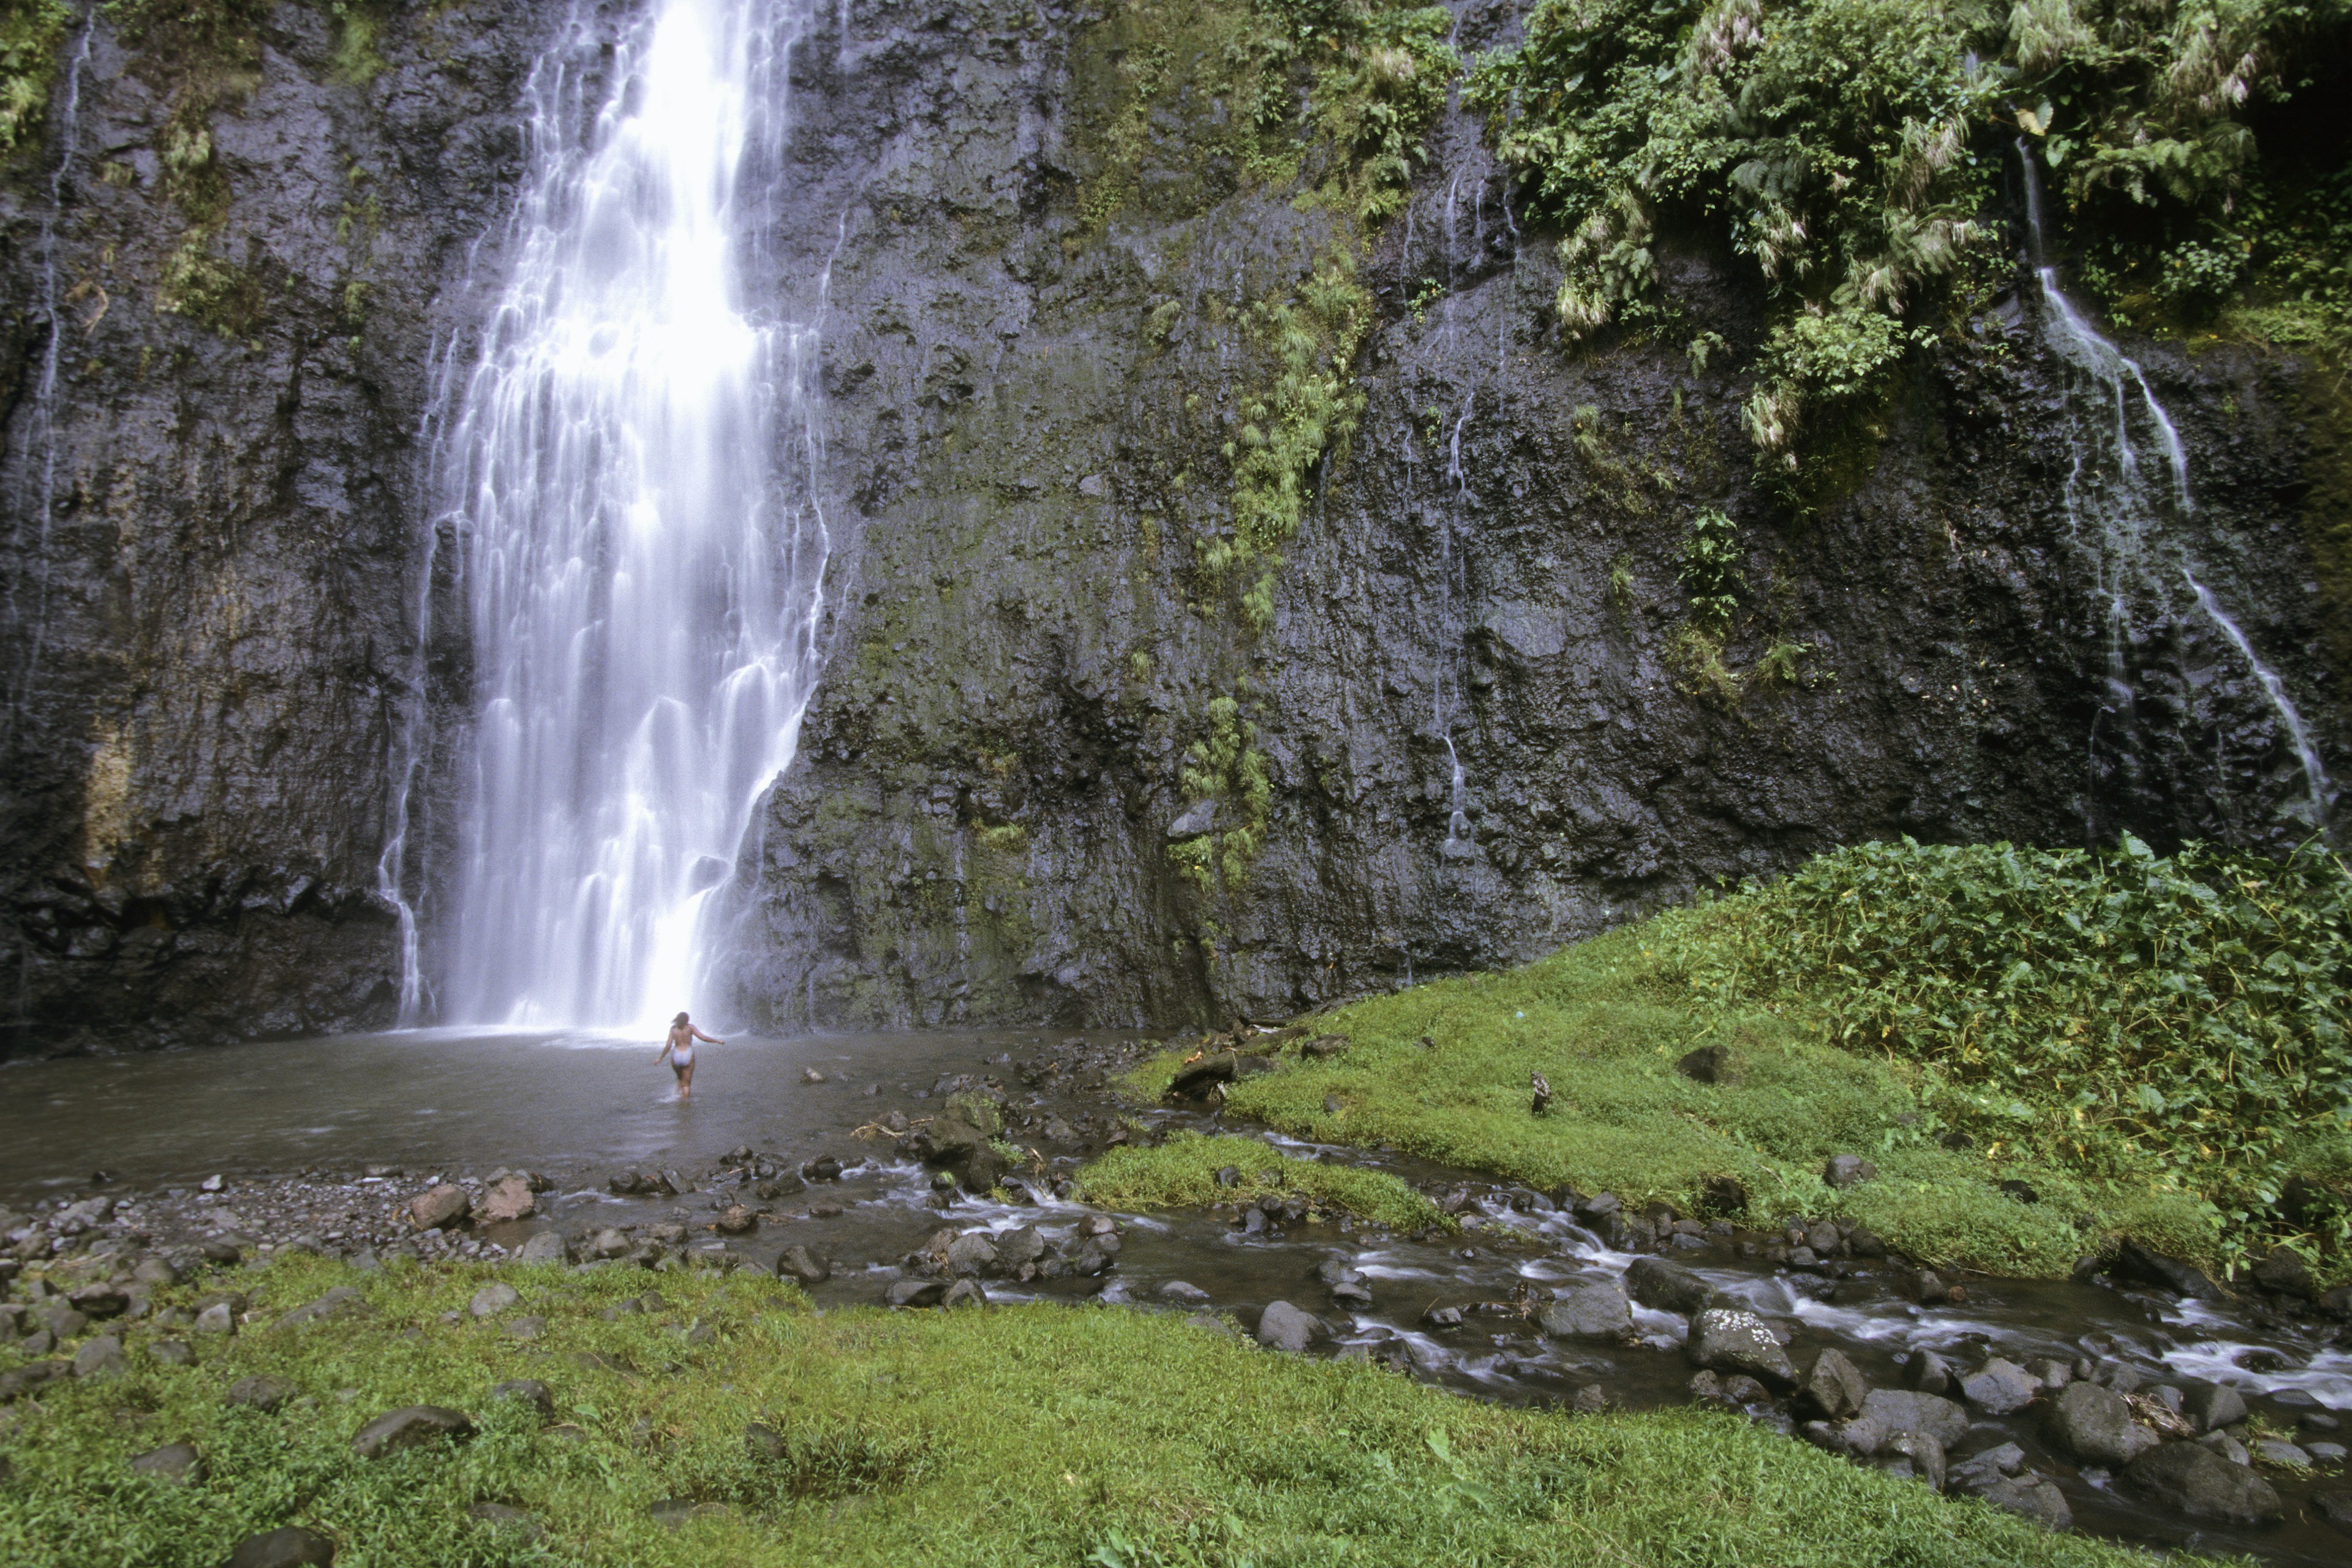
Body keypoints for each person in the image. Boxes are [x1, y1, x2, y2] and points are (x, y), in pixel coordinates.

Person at [657, 1011, 723, 1101]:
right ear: (687, 1020)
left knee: (680, 1078)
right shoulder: (690, 1027)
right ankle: (685, 1105)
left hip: (676, 1055)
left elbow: (668, 1045)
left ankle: (675, 1098)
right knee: (686, 1085)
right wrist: (717, 1041)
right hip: (688, 1054)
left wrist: (660, 1058)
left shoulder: (673, 1029)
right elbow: (703, 1038)